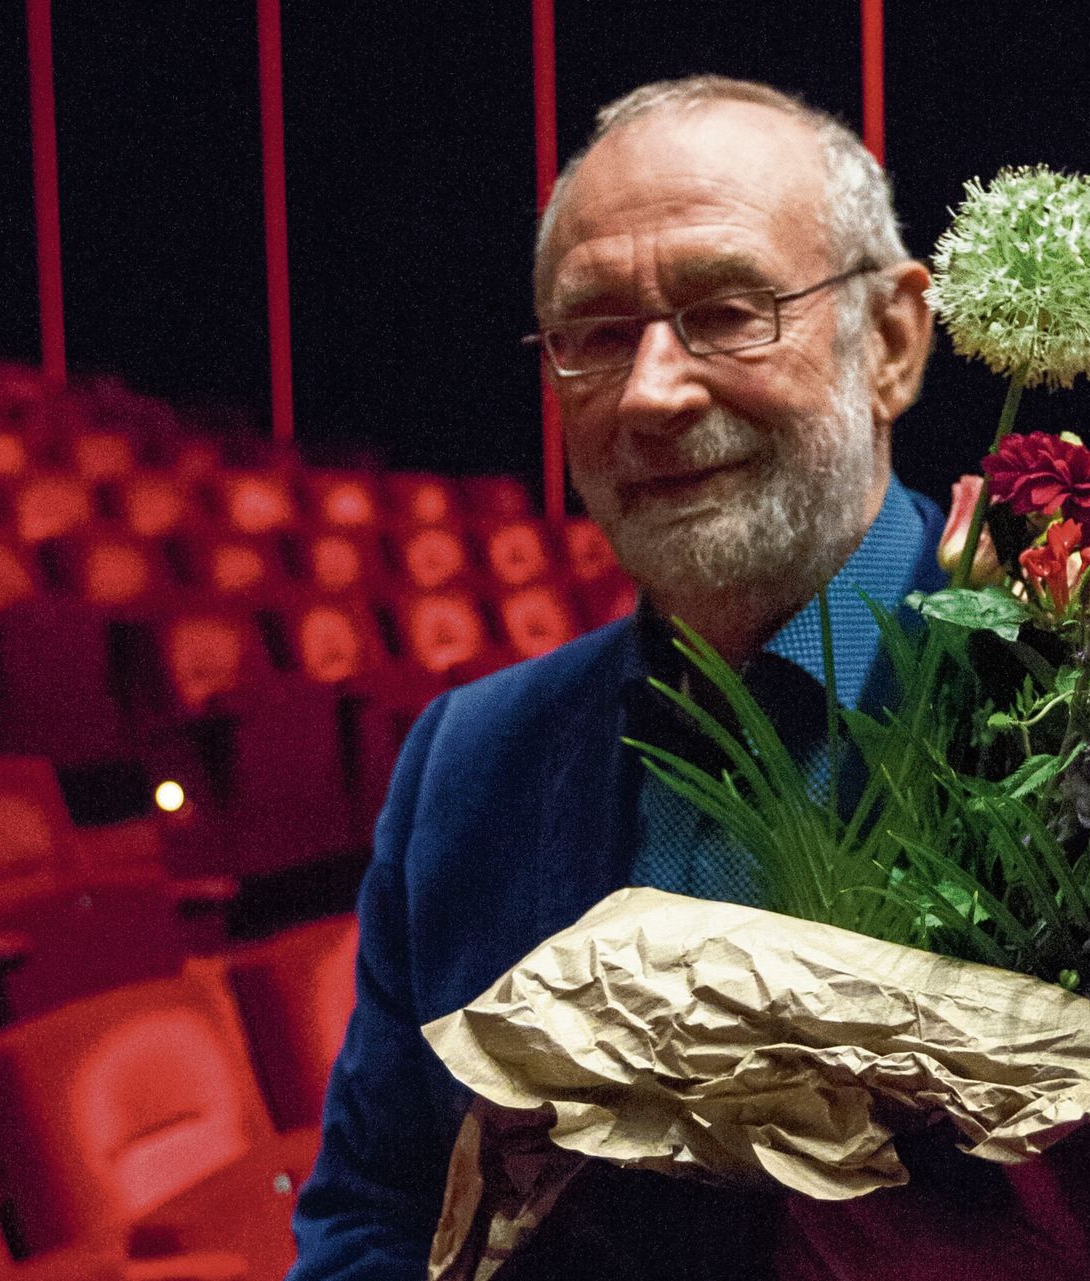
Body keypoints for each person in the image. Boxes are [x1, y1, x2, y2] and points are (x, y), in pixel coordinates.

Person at [288, 76, 937, 1279]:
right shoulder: (464, 764)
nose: (651, 392)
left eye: (727, 311)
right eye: (592, 336)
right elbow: (377, 1210)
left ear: (891, 343)